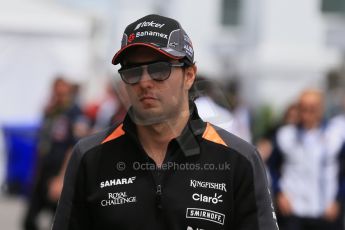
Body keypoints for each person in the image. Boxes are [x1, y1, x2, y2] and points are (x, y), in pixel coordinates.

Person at [52, 14, 278, 230]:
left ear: (189, 75)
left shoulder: (239, 159)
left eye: (159, 69)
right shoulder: (90, 156)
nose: (144, 82)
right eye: (132, 71)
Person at [268, 89, 344, 230]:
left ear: (321, 109)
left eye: (312, 109)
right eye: (303, 109)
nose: (307, 114)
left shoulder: (336, 136)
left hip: (326, 212)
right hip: (293, 212)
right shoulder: (285, 135)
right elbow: (272, 167)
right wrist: (279, 193)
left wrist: (339, 201)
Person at [23, 77, 88, 230]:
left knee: (59, 221)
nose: (58, 94)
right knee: (29, 220)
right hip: (44, 170)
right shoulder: (51, 111)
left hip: (59, 172)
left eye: (62, 91)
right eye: (56, 91)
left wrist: (61, 179)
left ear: (68, 91)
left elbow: (74, 147)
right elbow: (43, 143)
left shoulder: (74, 112)